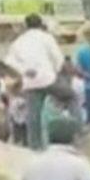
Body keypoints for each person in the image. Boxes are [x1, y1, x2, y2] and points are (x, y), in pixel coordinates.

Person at [6, 14, 65, 150]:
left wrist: (24, 71)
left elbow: (9, 63)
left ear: (26, 26)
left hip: (30, 82)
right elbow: (59, 59)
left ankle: (35, 147)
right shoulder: (47, 37)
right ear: (40, 24)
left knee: (33, 114)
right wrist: (55, 71)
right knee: (71, 97)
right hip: (49, 80)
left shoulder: (19, 41)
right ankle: (75, 132)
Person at [7, 81, 28, 146]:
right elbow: (13, 113)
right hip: (19, 123)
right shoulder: (17, 100)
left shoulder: (17, 100)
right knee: (18, 138)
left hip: (22, 122)